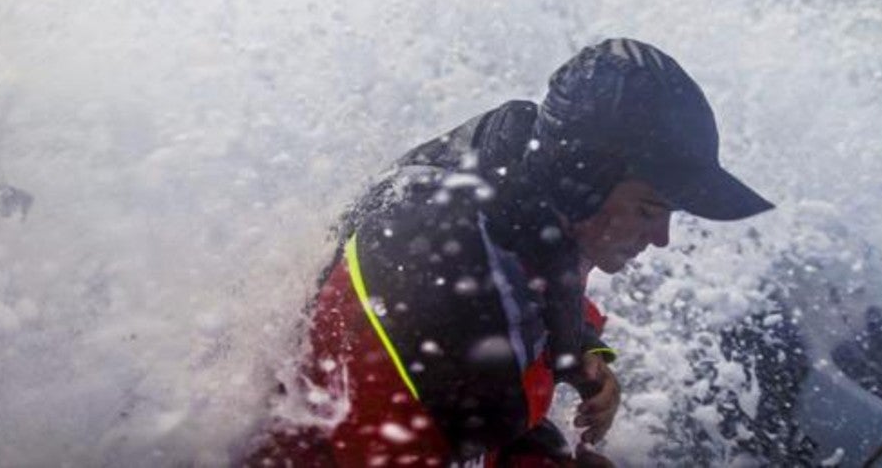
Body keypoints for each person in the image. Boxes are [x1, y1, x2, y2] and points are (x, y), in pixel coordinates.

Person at [246, 38, 774, 466]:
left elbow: (539, 278)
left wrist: (580, 353)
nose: (660, 238)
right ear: (584, 182)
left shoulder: (522, 175)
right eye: (649, 209)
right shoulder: (442, 292)